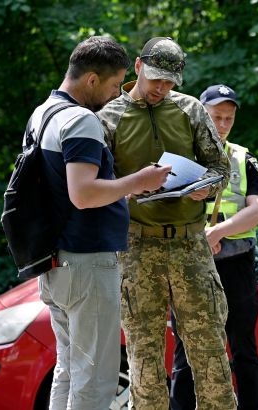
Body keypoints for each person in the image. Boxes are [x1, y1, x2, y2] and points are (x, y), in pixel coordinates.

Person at [96, 37, 237, 410]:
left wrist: (205, 189)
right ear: (138, 67)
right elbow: (96, 186)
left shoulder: (190, 110)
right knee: (144, 356)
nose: (161, 88)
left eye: (169, 81)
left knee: (209, 352)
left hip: (191, 245)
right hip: (138, 248)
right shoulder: (109, 117)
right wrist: (130, 190)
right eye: (156, 78)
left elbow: (220, 168)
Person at [34, 36, 172, 409]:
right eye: (114, 86)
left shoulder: (44, 113)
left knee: (68, 370)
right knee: (95, 380)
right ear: (92, 79)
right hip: (87, 262)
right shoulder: (81, 120)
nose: (116, 95)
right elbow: (83, 193)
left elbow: (68, 190)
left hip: (57, 261)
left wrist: (119, 192)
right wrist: (140, 181)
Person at [169, 84, 258, 410]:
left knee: (244, 353)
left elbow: (256, 210)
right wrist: (200, 237)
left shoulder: (243, 158)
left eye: (229, 118)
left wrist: (219, 232)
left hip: (237, 266)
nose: (222, 125)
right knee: (186, 353)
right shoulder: (180, 158)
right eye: (216, 117)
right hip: (191, 267)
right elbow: (163, 209)